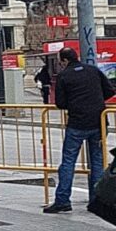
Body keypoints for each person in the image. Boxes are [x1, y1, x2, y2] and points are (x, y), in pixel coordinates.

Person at [44, 47, 115, 214]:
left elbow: (60, 103)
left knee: (68, 162)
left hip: (77, 123)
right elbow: (110, 90)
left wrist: (76, 104)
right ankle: (97, 200)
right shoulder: (93, 70)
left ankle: (62, 201)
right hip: (98, 122)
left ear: (64, 61)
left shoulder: (64, 76)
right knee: (97, 162)